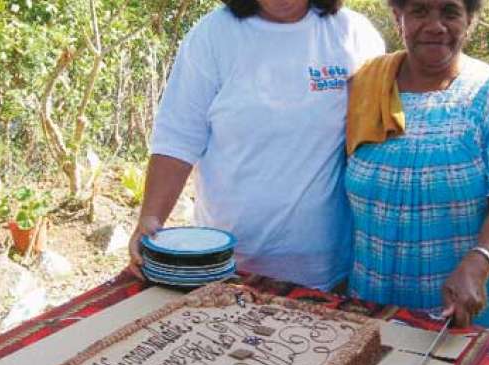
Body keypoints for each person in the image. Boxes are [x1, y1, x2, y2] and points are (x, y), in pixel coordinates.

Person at [127, 0, 385, 291]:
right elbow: (178, 138)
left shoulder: (355, 36)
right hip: (227, 269)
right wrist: (150, 217)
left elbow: (379, 141)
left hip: (327, 271)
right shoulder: (213, 36)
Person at [345, 0, 489, 346]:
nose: (435, 25)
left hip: (470, 311)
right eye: (419, 11)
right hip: (375, 303)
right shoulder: (365, 88)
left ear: (470, 20)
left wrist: (480, 261)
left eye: (450, 12)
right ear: (399, 17)